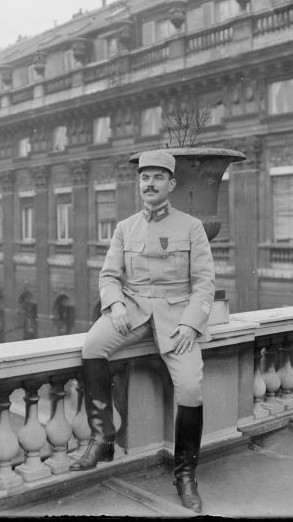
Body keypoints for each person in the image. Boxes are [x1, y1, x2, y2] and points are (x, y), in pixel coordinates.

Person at [70, 150, 215, 514]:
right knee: (93, 346)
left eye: (157, 178)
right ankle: (102, 438)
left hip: (177, 316)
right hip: (131, 312)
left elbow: (204, 284)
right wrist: (116, 304)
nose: (149, 184)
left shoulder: (191, 227)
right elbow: (108, 276)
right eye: (144, 178)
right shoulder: (125, 227)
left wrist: (189, 323)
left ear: (172, 184)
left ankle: (185, 475)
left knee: (191, 388)